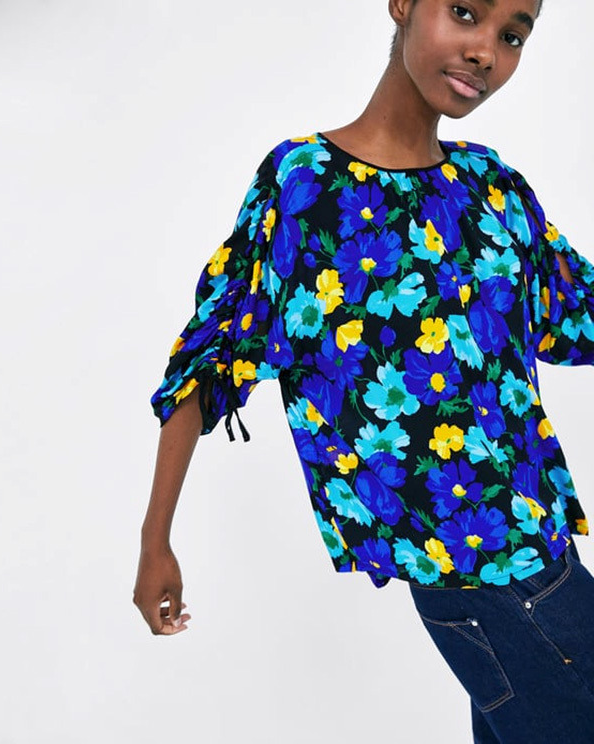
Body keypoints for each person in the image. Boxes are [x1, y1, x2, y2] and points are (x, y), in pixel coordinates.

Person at [133, 0, 594, 741]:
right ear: (403, 3)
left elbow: (578, 310)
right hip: (475, 579)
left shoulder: (493, 187)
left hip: (547, 557)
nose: (485, 50)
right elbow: (210, 357)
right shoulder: (305, 185)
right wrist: (155, 540)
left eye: (512, 34)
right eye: (465, 12)